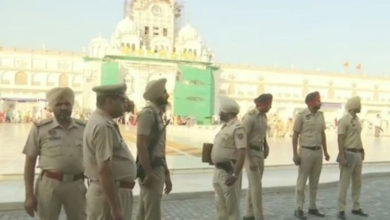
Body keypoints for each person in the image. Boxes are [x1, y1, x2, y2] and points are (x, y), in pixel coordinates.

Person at [23, 87, 86, 220]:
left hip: (77, 184)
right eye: (58, 104)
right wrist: (29, 195)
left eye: (67, 104)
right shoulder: (40, 129)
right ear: (51, 107)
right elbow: (30, 162)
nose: (63, 107)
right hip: (49, 185)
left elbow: (93, 159)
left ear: (72, 106)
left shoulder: (84, 128)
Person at [83, 83, 137, 220]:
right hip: (111, 194)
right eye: (122, 100)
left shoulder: (100, 121)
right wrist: (116, 208)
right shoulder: (103, 126)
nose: (125, 105)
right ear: (109, 101)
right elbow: (104, 169)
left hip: (109, 192)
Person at [136, 78, 172, 220]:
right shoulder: (148, 114)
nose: (167, 95)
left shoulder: (157, 114)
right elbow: (141, 144)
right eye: (164, 92)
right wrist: (148, 172)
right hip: (151, 169)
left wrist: (167, 174)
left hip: (157, 168)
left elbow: (160, 151)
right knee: (152, 213)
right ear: (157, 94)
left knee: (144, 212)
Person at [292, 91, 330, 219]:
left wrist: (326, 152)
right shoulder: (302, 115)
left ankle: (313, 207)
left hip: (318, 152)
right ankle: (298, 208)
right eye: (318, 100)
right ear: (311, 102)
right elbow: (295, 134)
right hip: (306, 151)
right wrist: (295, 154)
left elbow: (322, 134)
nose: (320, 102)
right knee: (301, 182)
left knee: (315, 182)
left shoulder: (320, 115)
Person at [211, 96, 247, 220]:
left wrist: (235, 174)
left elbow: (242, 152)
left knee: (231, 206)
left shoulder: (238, 127)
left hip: (229, 172)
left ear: (228, 113)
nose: (219, 114)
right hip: (218, 171)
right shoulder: (226, 127)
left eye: (222, 111)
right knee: (220, 206)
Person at [337, 96, 368, 219]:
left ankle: (356, 207)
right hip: (348, 153)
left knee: (357, 182)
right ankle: (341, 209)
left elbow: (357, 137)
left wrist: (362, 150)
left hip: (357, 153)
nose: (360, 106)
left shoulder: (358, 120)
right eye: (358, 104)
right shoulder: (344, 120)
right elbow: (340, 138)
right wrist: (342, 155)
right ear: (353, 105)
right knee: (344, 183)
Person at [242, 94, 273, 220]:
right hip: (251, 153)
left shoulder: (264, 117)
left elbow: (262, 134)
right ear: (261, 104)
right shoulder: (250, 117)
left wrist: (266, 146)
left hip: (259, 152)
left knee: (254, 185)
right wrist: (249, 160)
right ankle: (259, 216)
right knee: (257, 187)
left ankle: (249, 214)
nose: (270, 107)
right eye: (269, 104)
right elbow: (244, 139)